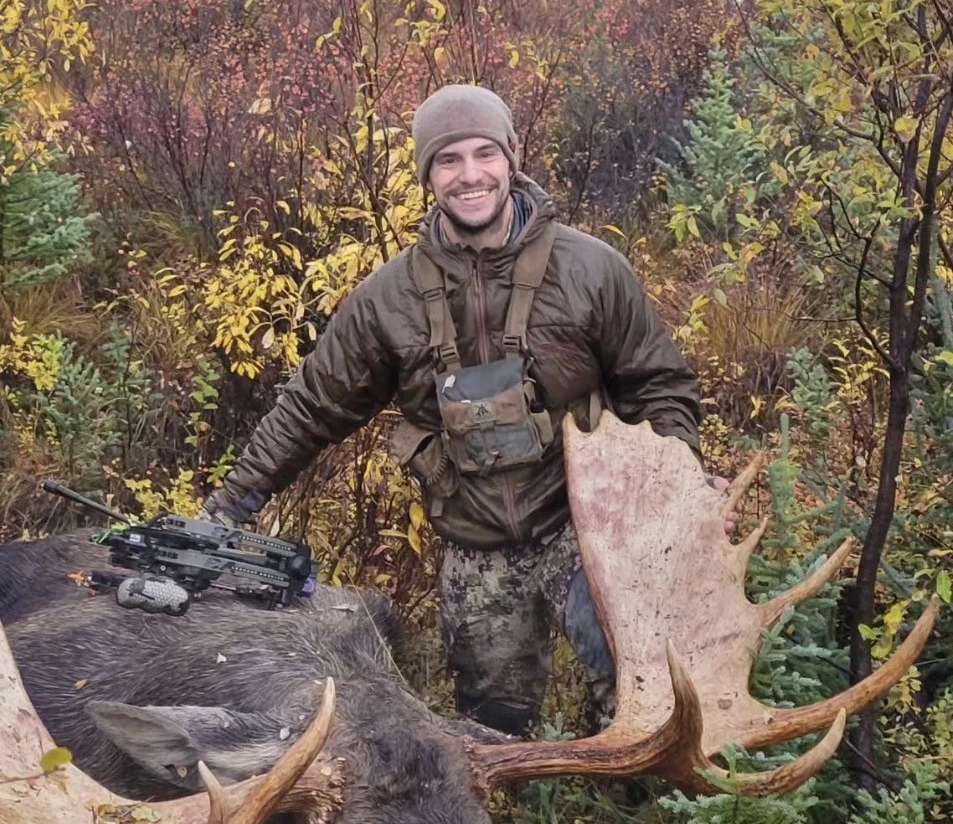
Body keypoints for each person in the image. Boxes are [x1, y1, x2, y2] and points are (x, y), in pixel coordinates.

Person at [202, 84, 714, 736]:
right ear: (427, 175)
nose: (470, 175)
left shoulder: (591, 270)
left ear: (512, 157)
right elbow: (310, 406)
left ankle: (635, 822)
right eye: (448, 161)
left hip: (586, 530)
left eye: (484, 154)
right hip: (476, 548)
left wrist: (683, 484)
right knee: (491, 729)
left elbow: (661, 385)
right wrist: (227, 509)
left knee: (638, 695)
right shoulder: (386, 299)